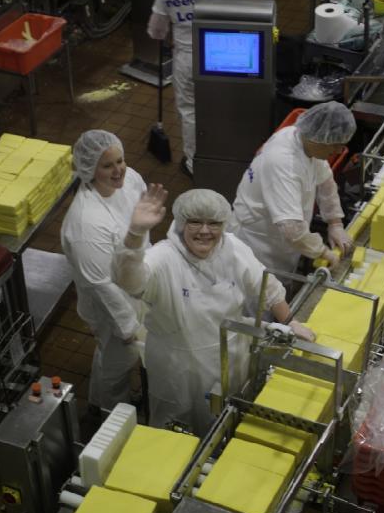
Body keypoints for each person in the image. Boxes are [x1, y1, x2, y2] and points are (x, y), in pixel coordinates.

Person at [113, 187, 315, 437]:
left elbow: (266, 286)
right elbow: (129, 281)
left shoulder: (232, 247)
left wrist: (291, 321)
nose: (205, 231)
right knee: (174, 430)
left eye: (214, 223)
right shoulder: (163, 258)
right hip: (178, 368)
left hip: (228, 356)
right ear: (180, 223)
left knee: (222, 420)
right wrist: (135, 235)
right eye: (195, 222)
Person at [148, 0, 263, 177]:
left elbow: (156, 30)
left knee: (190, 111)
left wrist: (169, 31)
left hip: (186, 57)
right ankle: (230, 156)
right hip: (221, 52)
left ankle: (194, 163)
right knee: (224, 105)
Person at [61, 130, 147, 412]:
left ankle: (103, 401)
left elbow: (142, 214)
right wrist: (127, 325)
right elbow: (100, 282)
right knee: (118, 360)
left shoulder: (130, 179)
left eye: (120, 161)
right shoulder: (86, 222)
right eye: (107, 165)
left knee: (120, 355)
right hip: (109, 304)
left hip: (134, 282)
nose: (118, 170)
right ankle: (110, 412)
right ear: (89, 170)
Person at [231, 101, 356, 278]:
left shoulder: (305, 141)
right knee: (258, 297)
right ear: (317, 139)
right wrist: (322, 252)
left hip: (284, 238)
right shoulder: (283, 162)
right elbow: (292, 229)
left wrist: (335, 223)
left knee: (278, 289)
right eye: (335, 144)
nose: (339, 150)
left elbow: (326, 182)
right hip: (258, 241)